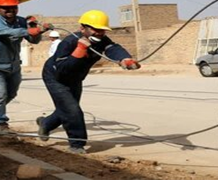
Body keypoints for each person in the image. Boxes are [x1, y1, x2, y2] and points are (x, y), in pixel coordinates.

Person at [36, 10, 141, 154]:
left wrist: (124, 58)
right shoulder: (69, 42)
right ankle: (76, 144)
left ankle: (45, 123)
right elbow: (62, 69)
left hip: (76, 78)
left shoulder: (103, 41)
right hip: (56, 77)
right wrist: (79, 50)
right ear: (82, 28)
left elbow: (113, 48)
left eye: (102, 30)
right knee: (72, 109)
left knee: (67, 109)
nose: (99, 33)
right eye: (95, 29)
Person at [0, 0, 52, 131]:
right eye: (5, 8)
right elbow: (13, 33)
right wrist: (34, 29)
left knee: (11, 94)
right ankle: (0, 123)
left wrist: (36, 30)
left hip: (13, 65)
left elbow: (34, 40)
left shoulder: (20, 21)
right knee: (0, 94)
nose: (10, 11)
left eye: (13, 7)